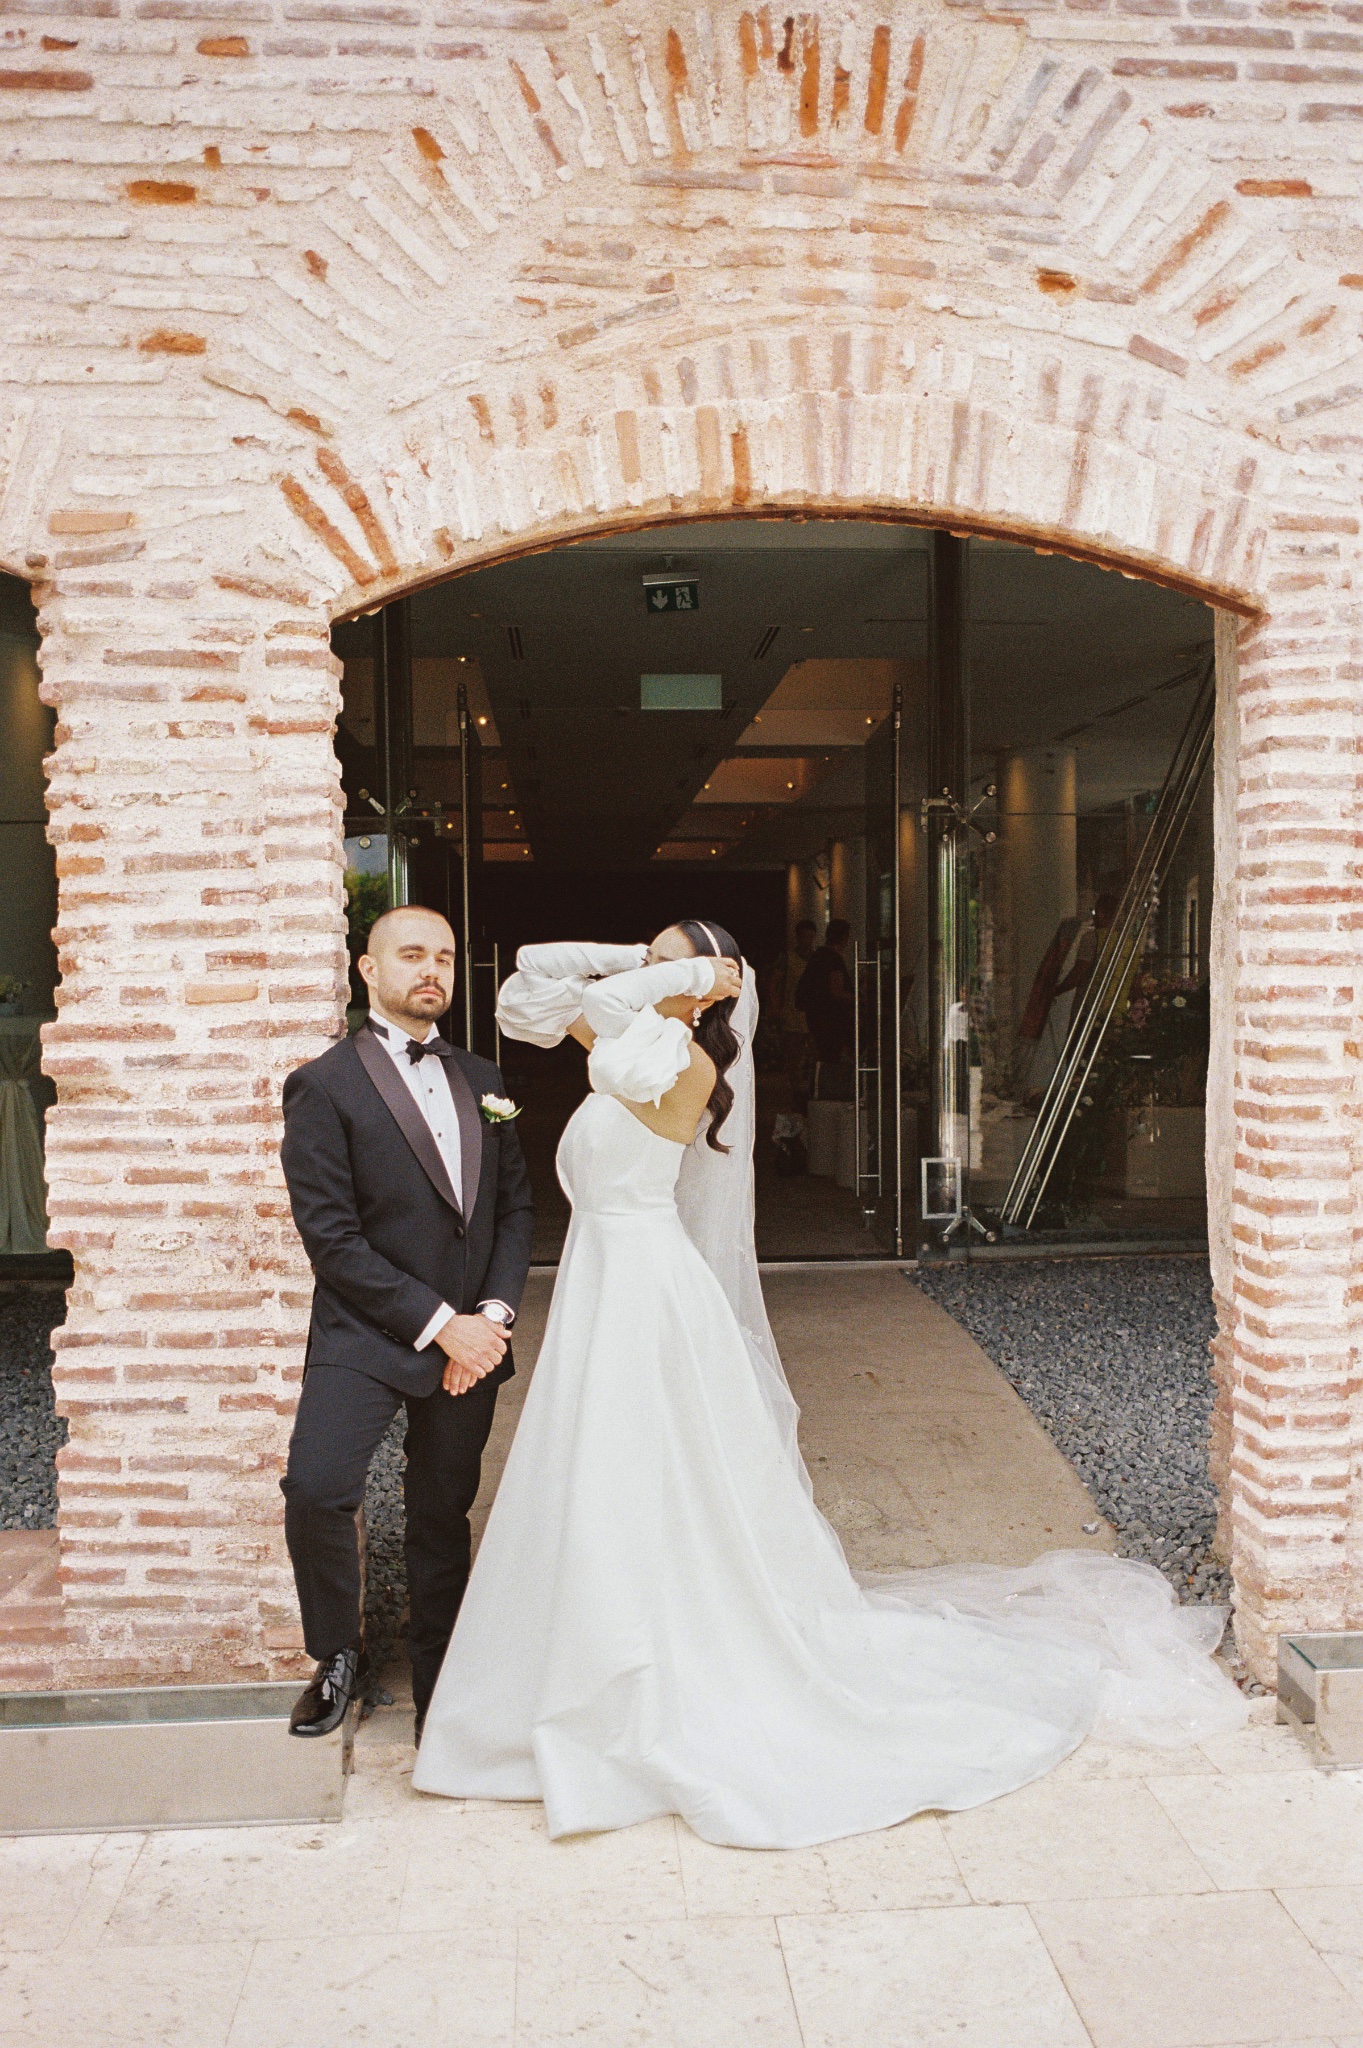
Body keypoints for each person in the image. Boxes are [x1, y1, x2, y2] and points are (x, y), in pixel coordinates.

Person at [412, 926, 1245, 1848]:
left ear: (708, 989)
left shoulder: (676, 1058)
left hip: (644, 1287)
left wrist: (679, 976)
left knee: (643, 1461)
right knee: (599, 1466)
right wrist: (640, 955)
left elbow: (606, 1005)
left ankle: (651, 1652)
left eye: (667, 962)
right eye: (645, 958)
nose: (643, 970)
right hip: (601, 1281)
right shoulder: (633, 1037)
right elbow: (527, 984)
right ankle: (578, 1641)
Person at [278, 905, 534, 1742]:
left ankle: (440, 1684)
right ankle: (335, 1654)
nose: (432, 970)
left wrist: (489, 1318)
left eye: (445, 958)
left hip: (472, 1345)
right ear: (369, 969)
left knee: (439, 1513)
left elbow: (514, 1209)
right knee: (317, 1488)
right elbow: (331, 1239)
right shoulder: (323, 1084)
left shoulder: (486, 1078)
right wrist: (438, 1323)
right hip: (364, 1334)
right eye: (413, 954)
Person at [764, 916, 816, 1101]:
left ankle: (809, 1092)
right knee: (794, 1058)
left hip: (812, 1017)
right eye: (804, 937)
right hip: (792, 1016)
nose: (807, 941)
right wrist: (776, 1007)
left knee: (811, 1057)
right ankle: (796, 1094)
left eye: (810, 937)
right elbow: (773, 983)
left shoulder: (816, 959)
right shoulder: (788, 959)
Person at [796, 917, 855, 1068]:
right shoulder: (833, 959)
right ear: (844, 937)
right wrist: (855, 998)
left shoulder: (817, 956)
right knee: (831, 1059)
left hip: (815, 1017)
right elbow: (836, 991)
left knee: (822, 1057)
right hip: (831, 1020)